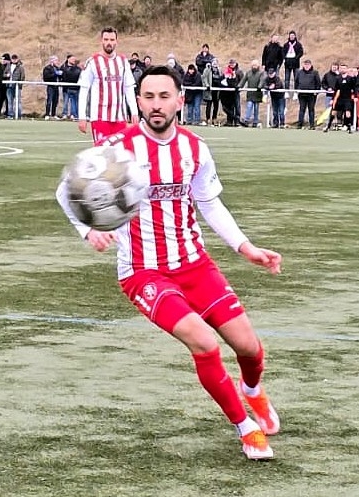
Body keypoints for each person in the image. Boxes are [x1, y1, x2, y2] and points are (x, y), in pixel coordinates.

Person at [56, 65, 283, 460]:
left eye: (164, 96)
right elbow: (65, 190)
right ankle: (245, 428)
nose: (156, 105)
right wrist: (87, 230)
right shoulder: (117, 150)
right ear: (138, 101)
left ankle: (252, 391)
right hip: (144, 272)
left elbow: (209, 203)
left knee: (249, 346)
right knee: (204, 342)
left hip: (195, 265)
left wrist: (245, 247)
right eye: (148, 97)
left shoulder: (195, 148)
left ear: (180, 100)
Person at [77, 27, 139, 144]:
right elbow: (84, 90)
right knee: (102, 152)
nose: (109, 43)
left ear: (116, 41)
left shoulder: (123, 61)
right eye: (106, 39)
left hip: (120, 117)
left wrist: (134, 112)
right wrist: (82, 116)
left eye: (111, 40)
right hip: (99, 117)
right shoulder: (92, 62)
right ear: (101, 41)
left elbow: (129, 88)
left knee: (120, 151)